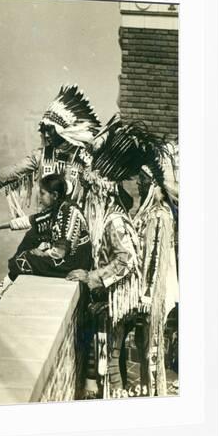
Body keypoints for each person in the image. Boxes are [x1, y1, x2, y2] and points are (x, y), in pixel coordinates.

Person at [66, 115, 168, 399]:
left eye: (91, 190)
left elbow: (127, 262)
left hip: (114, 304)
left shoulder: (114, 222)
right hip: (110, 304)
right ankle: (105, 394)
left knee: (107, 363)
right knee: (106, 362)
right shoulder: (113, 218)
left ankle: (106, 399)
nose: (87, 196)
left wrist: (92, 277)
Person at [0, 84, 102, 217]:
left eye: (51, 130)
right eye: (44, 131)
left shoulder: (85, 159)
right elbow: (14, 170)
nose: (46, 135)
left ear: (64, 130)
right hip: (45, 228)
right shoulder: (42, 156)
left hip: (75, 231)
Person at [0, 173, 92, 312]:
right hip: (68, 258)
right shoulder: (58, 209)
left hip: (74, 262)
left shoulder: (69, 213)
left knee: (25, 260)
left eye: (42, 193)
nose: (39, 198)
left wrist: (42, 253)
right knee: (26, 254)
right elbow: (31, 220)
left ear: (54, 195)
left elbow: (60, 252)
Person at [128, 163, 179, 396]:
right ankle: (149, 389)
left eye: (143, 180)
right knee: (142, 340)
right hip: (147, 289)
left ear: (153, 185)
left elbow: (157, 257)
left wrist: (148, 294)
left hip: (156, 291)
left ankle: (156, 394)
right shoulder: (149, 212)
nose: (139, 184)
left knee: (153, 343)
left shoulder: (160, 215)